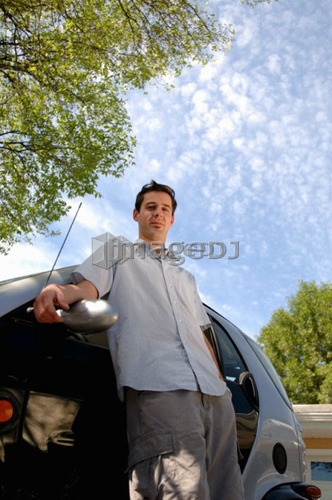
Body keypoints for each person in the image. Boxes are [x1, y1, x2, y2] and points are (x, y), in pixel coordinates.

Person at [33, 180, 244, 500]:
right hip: (161, 386)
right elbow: (86, 288)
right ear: (136, 214)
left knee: (228, 494)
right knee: (181, 492)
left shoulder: (185, 277)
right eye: (150, 207)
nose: (158, 214)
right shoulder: (117, 251)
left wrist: (222, 387)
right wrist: (59, 291)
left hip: (216, 398)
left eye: (165, 209)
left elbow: (203, 333)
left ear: (172, 219)